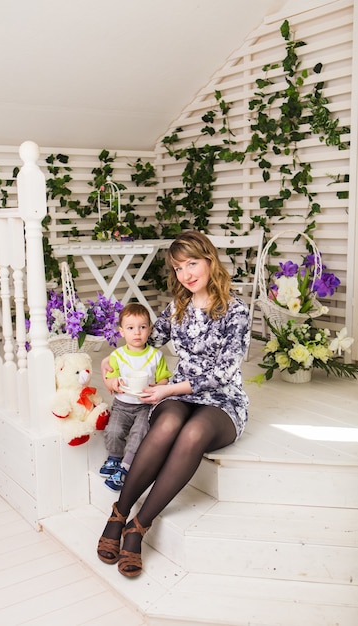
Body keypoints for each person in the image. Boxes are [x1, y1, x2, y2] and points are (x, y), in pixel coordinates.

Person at [97, 230, 250, 578]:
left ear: (210, 260)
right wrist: (113, 361)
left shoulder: (235, 311)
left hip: (222, 401)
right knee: (166, 424)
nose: (186, 274)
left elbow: (224, 372)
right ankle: (119, 513)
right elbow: (142, 338)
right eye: (178, 268)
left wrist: (169, 389)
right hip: (179, 395)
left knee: (193, 434)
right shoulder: (177, 307)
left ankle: (138, 526)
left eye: (192, 263)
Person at [99, 303, 172, 492]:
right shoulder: (117, 355)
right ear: (122, 332)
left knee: (139, 432)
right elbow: (110, 376)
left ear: (149, 329)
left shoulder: (156, 356)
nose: (137, 333)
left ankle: (126, 468)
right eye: (131, 328)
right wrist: (113, 382)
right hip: (122, 404)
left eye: (142, 327)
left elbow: (164, 377)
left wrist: (160, 386)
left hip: (144, 406)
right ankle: (114, 459)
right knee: (113, 430)